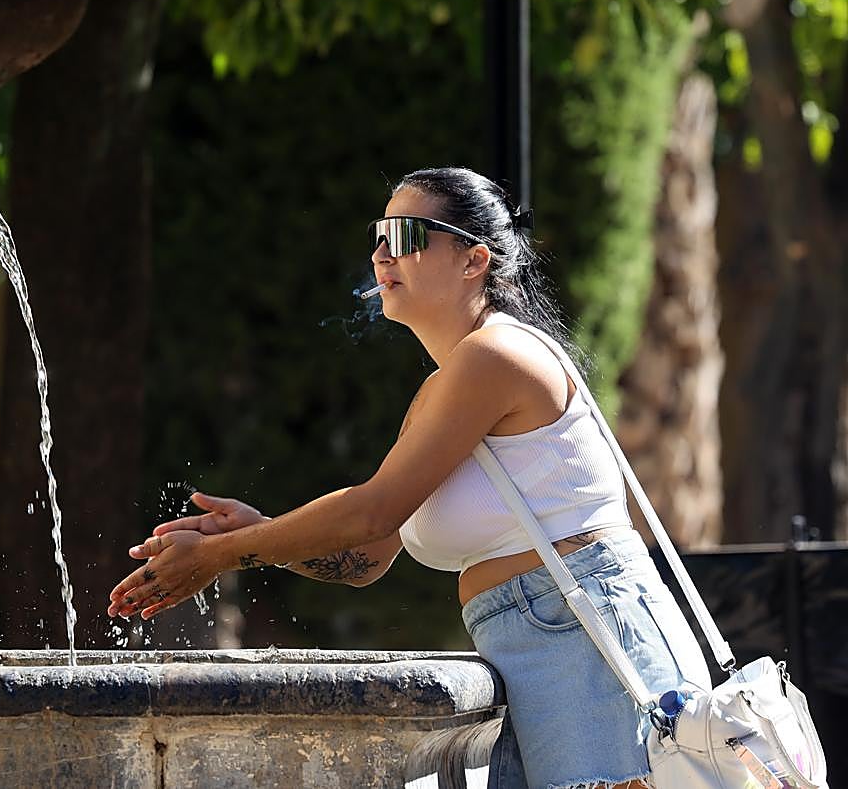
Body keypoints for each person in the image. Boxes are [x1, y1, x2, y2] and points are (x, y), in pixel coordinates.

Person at [108, 166, 711, 789]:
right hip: (546, 637)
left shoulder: (494, 355)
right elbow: (368, 555)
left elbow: (372, 512)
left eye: (404, 235)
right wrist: (264, 532)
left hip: (587, 635)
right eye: (378, 235)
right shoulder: (442, 388)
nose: (379, 254)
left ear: (474, 260)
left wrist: (218, 554)